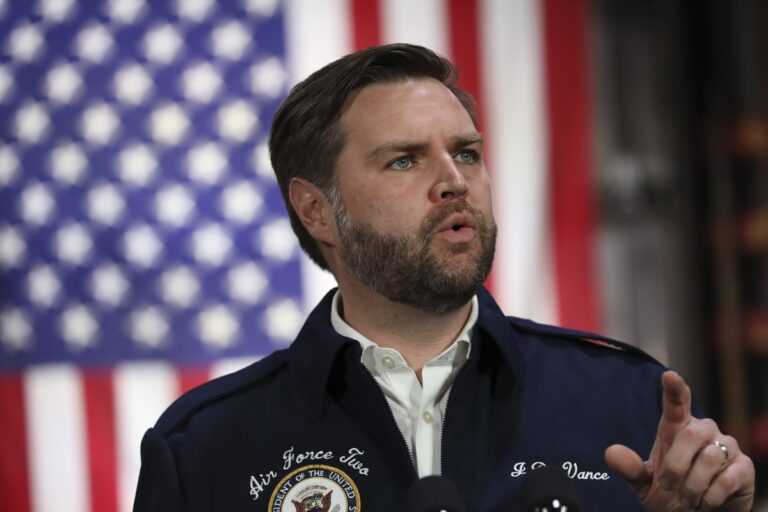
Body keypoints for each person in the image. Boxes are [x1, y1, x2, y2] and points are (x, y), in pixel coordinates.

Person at [133, 43, 755, 511]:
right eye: (404, 160)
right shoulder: (202, 449)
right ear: (315, 209)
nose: (455, 181)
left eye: (466, 153)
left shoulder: (632, 399)